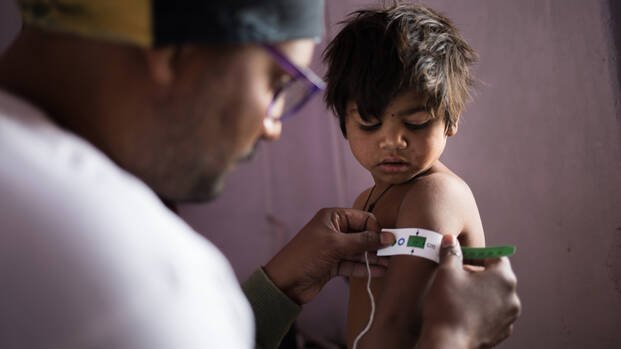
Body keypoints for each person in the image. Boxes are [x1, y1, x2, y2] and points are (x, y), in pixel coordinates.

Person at [0, 1, 520, 348]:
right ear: (177, 49)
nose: (273, 127)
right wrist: (454, 337)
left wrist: (281, 286)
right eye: (278, 80)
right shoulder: (146, 295)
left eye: (415, 122)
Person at [322, 4, 492, 347]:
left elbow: (396, 322)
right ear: (344, 121)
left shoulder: (434, 195)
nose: (393, 141)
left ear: (451, 117)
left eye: (416, 123)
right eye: (370, 123)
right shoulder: (364, 201)